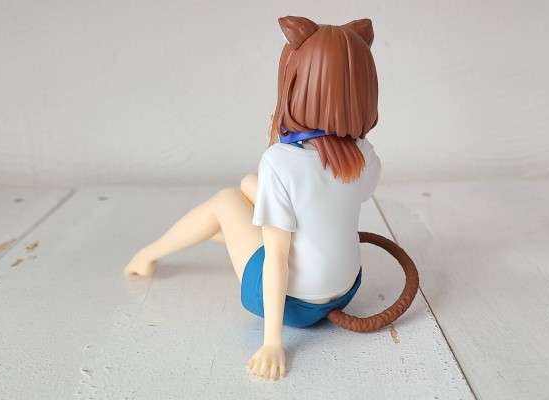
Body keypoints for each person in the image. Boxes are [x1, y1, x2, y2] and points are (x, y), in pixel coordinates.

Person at [124, 16, 381, 381]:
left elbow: (276, 258)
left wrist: (272, 342)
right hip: (346, 288)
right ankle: (223, 234)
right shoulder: (364, 153)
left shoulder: (280, 161)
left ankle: (147, 255)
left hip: (296, 304)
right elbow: (337, 199)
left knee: (227, 200)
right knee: (250, 185)